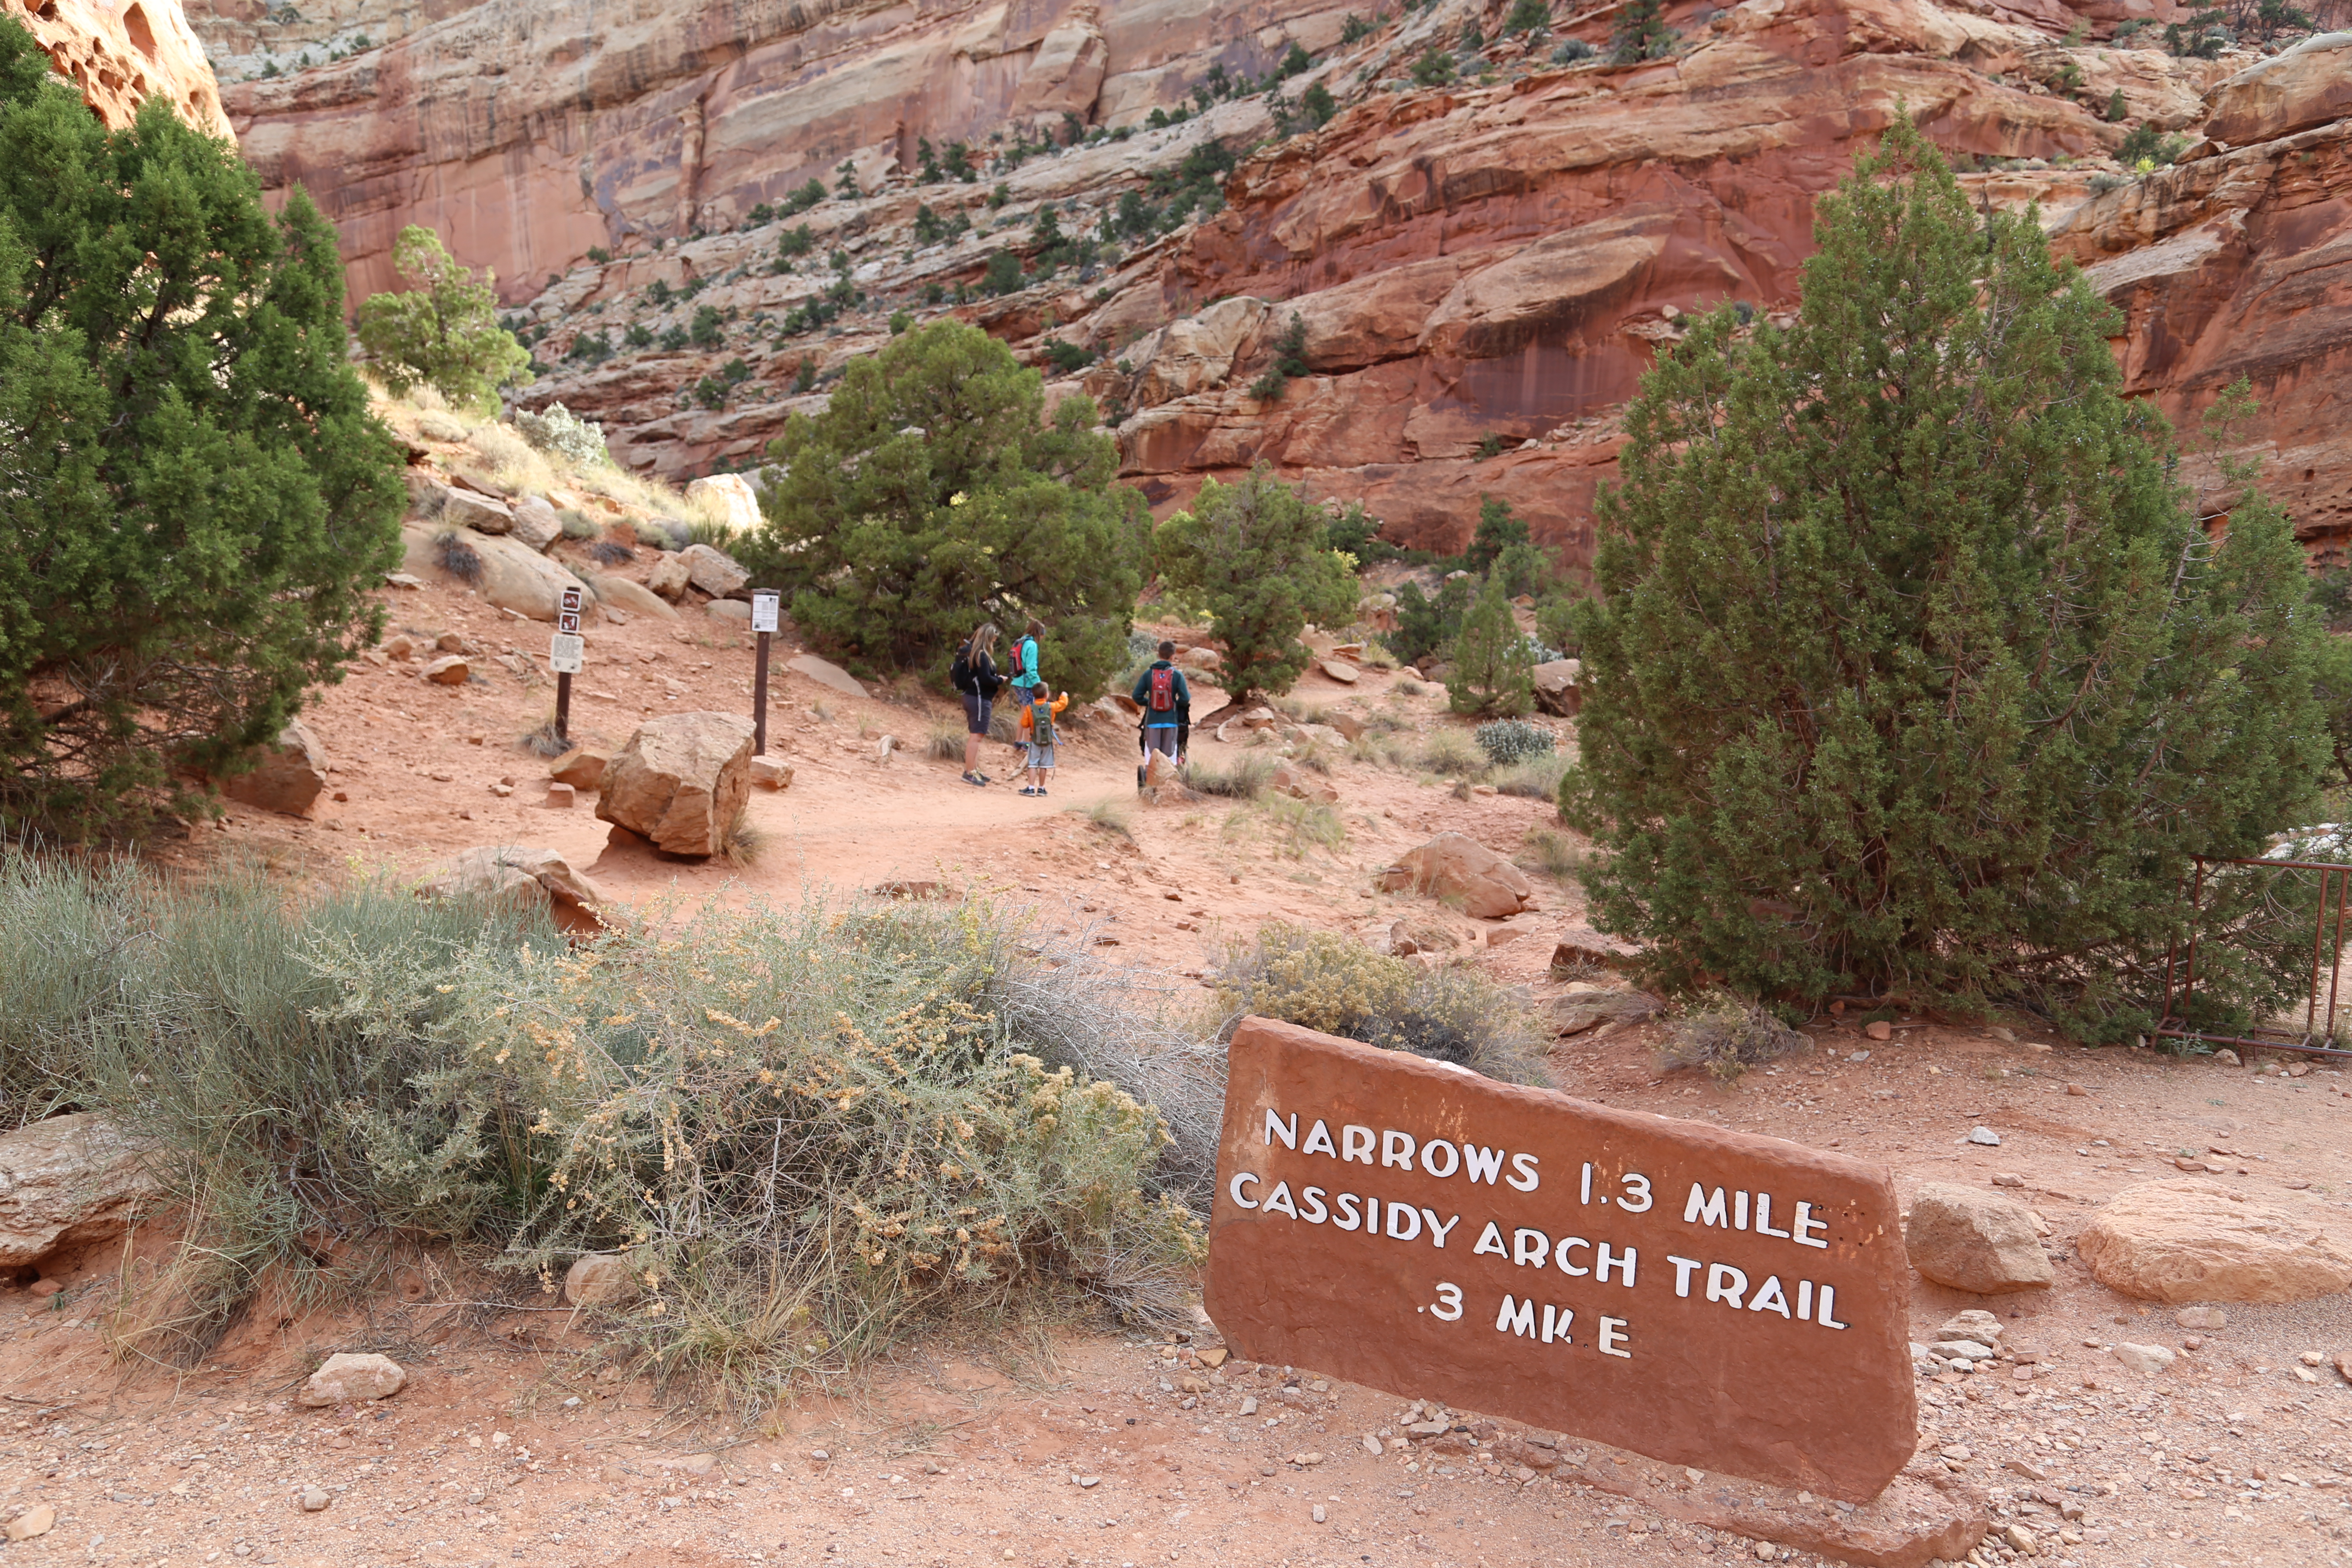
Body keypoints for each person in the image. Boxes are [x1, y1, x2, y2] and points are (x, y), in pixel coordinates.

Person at [1130, 640, 1191, 790]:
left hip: (1152, 722)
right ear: (1173, 656)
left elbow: (1137, 696)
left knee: (1152, 755)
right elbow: (1185, 698)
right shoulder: (1177, 675)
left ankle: (1149, 786)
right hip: (1171, 722)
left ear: (1158, 654)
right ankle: (1169, 788)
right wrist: (1174, 704)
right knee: (1169, 755)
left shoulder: (1148, 674)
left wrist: (1150, 702)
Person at [949, 623, 1002, 787]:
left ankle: (974, 769)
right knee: (977, 736)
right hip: (979, 698)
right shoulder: (982, 655)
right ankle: (969, 772)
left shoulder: (974, 654)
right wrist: (1000, 680)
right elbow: (986, 679)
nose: (995, 640)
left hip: (972, 697)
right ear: (989, 638)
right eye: (994, 638)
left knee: (977, 734)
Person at [1016, 682, 1068, 796]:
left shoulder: (1030, 709)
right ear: (1046, 695)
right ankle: (1042, 788)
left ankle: (1030, 788)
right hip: (1047, 740)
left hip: (1034, 740)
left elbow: (1024, 724)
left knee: (1033, 764)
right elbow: (1062, 704)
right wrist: (1064, 695)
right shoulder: (1051, 707)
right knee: (1044, 765)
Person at [1006, 618, 1044, 697]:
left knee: (1025, 709)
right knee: (1031, 709)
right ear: (1039, 634)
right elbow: (1031, 669)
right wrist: (1039, 685)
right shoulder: (1032, 645)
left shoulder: (1019, 642)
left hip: (1016, 682)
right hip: (1027, 684)